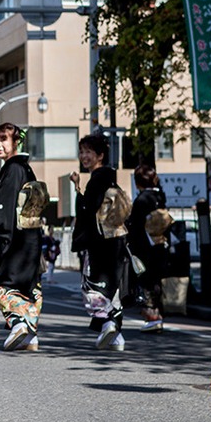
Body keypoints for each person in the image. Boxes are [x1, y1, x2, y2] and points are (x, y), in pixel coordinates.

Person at [0, 123, 44, 351]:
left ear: (16, 142)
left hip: (15, 238)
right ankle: (30, 336)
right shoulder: (25, 168)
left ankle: (17, 325)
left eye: (3, 140)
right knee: (29, 285)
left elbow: (3, 203)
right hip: (31, 236)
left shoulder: (13, 168)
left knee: (5, 283)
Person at [70, 133, 127, 351]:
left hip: (99, 241)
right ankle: (116, 337)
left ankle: (108, 324)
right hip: (117, 238)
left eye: (88, 152)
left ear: (100, 155)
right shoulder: (111, 179)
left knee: (94, 285)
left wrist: (77, 189)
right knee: (113, 286)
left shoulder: (97, 179)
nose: (84, 156)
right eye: (82, 152)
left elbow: (87, 209)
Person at [128, 164, 172, 332]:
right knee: (156, 282)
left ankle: (152, 317)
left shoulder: (141, 200)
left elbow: (136, 227)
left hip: (144, 247)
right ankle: (158, 316)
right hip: (160, 245)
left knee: (146, 282)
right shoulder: (160, 197)